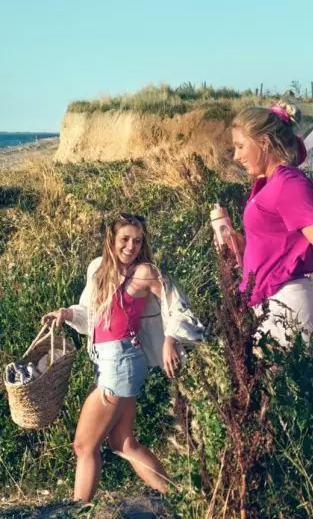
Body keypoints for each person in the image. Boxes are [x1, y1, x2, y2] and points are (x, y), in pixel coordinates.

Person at [42, 213, 204, 503]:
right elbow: (88, 312)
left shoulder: (144, 272)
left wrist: (170, 339)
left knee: (83, 445)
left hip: (122, 362)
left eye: (138, 241)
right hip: (108, 361)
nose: (132, 247)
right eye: (125, 240)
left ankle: (80, 511)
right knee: (123, 442)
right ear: (111, 240)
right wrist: (65, 314)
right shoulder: (98, 269)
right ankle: (180, 500)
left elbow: (177, 305)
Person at [230, 102, 313, 344]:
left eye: (240, 146)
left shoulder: (289, 183)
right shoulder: (269, 184)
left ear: (263, 142)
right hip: (273, 303)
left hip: (291, 303)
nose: (236, 156)